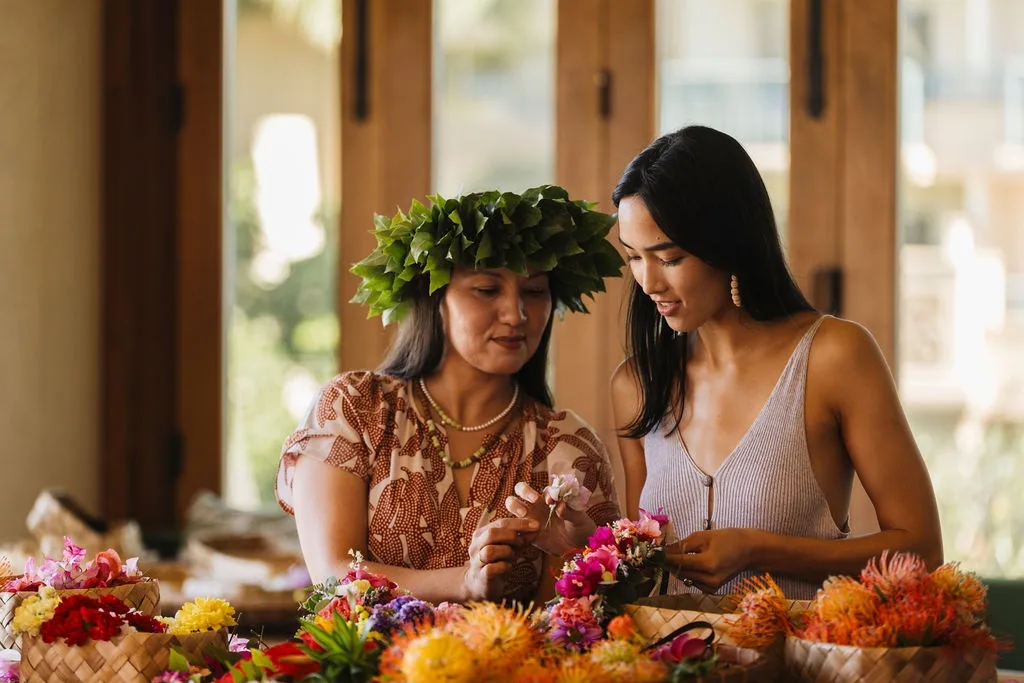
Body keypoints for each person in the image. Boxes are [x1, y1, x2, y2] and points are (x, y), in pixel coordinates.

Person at [608, 126, 943, 599]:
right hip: (670, 669)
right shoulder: (636, 384)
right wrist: (584, 542)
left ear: (729, 242)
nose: (649, 283)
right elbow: (645, 578)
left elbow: (922, 552)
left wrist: (759, 550)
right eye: (633, 258)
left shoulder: (834, 356)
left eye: (670, 257)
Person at [275, 185, 623, 604]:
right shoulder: (354, 408)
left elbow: (580, 621)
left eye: (535, 292)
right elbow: (333, 577)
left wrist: (574, 550)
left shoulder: (566, 444)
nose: (517, 314)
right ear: (435, 295)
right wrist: (465, 583)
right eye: (487, 289)